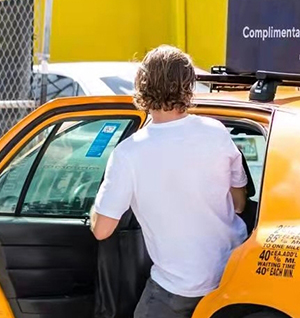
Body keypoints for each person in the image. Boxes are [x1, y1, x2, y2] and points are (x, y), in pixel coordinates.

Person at [90, 45, 248, 318]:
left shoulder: (129, 153)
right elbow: (240, 205)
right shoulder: (217, 132)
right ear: (189, 86)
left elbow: (102, 230)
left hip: (177, 288)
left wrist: (96, 205)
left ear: (141, 86)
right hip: (232, 277)